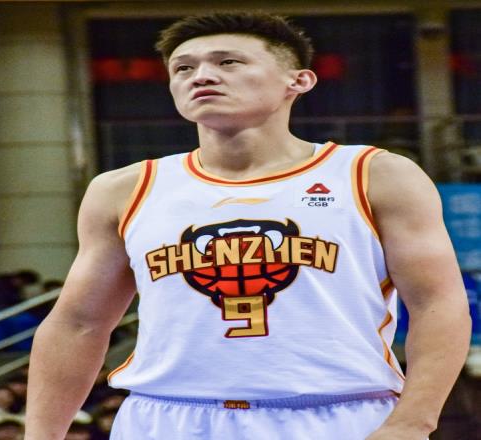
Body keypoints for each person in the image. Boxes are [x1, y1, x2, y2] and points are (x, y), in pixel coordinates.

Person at [25, 12, 471, 440]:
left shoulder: (374, 174)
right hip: (166, 417)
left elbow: (437, 303)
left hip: (337, 414)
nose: (201, 76)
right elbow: (78, 324)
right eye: (183, 68)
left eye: (228, 62)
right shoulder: (122, 189)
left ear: (298, 80)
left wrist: (412, 423)